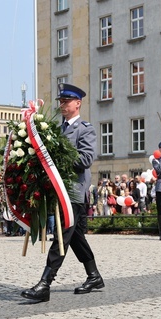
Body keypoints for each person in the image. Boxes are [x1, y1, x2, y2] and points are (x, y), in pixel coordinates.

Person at [21, 83, 104, 303]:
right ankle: (94, 276)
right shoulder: (57, 131)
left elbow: (86, 159)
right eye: (60, 101)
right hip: (59, 191)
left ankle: (45, 284)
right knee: (75, 236)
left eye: (67, 101)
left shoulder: (85, 129)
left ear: (78, 103)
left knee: (61, 236)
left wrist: (60, 157)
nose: (62, 105)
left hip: (74, 192)